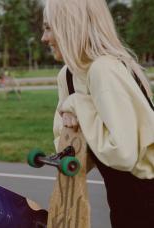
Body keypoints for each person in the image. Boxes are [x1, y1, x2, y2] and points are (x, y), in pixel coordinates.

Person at [41, 0, 154, 227]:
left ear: (70, 25)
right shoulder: (69, 76)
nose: (44, 38)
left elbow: (123, 154)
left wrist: (77, 105)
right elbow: (69, 152)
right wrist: (77, 114)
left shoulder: (105, 69)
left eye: (48, 27)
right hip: (122, 199)